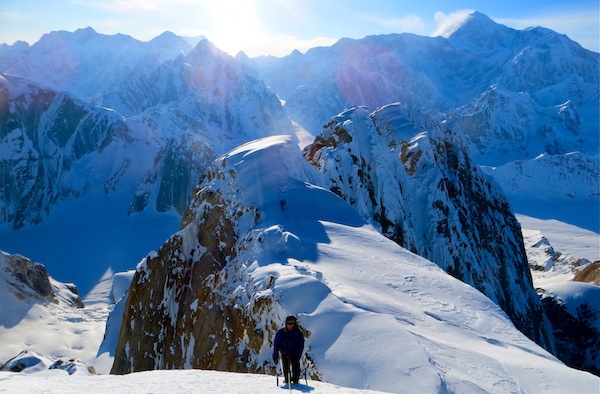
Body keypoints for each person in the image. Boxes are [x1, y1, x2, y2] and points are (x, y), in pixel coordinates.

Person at [273, 315, 305, 384]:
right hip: (284, 353)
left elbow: (300, 346)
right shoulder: (281, 332)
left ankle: (295, 381)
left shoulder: (298, 334)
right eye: (288, 324)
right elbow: (276, 344)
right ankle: (287, 380)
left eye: (292, 324)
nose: (290, 326)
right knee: (286, 369)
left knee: (296, 368)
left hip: (294, 354)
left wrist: (298, 356)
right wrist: (275, 354)